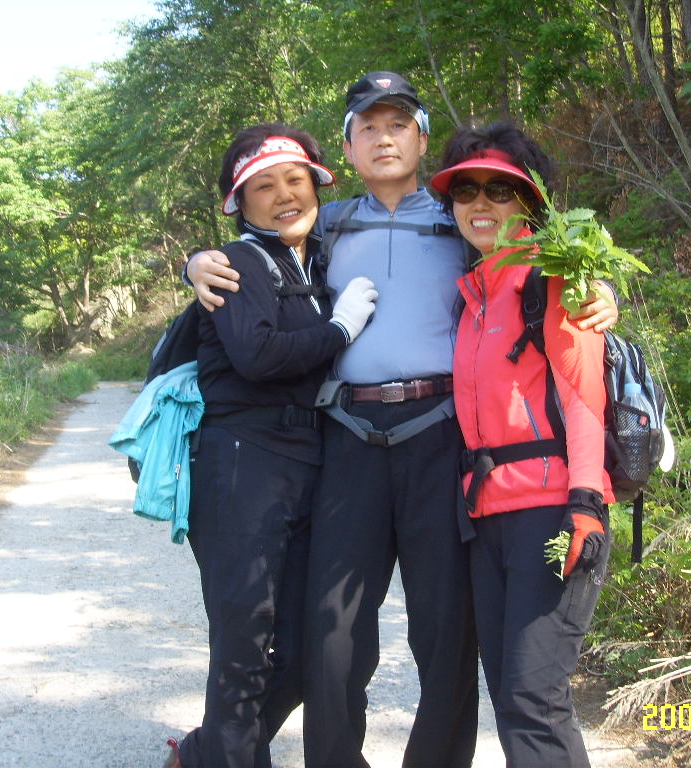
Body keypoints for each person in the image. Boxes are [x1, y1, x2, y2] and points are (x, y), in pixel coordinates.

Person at [186, 72, 619, 768]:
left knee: (445, 631)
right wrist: (195, 262)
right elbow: (257, 252)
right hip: (348, 439)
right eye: (367, 128)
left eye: (398, 126)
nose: (383, 138)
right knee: (333, 630)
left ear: (421, 140)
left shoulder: (461, 217)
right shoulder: (322, 224)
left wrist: (600, 291)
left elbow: (542, 264)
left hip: (442, 440)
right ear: (349, 150)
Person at [168, 124, 378, 768]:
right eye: (263, 187)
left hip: (308, 459)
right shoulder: (237, 263)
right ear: (241, 203)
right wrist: (341, 327)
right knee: (243, 642)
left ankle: (207, 753)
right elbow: (256, 355)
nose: (284, 195)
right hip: (240, 464)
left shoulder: (321, 253)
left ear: (318, 185)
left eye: (295, 180)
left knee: (297, 645)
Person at [430, 121, 614, 767]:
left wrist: (586, 504)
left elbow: (586, 396)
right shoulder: (472, 294)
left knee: (536, 698)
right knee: (514, 698)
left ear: (531, 202)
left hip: (552, 509)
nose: (480, 204)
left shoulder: (554, 279)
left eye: (500, 191)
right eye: (466, 191)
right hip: (487, 519)